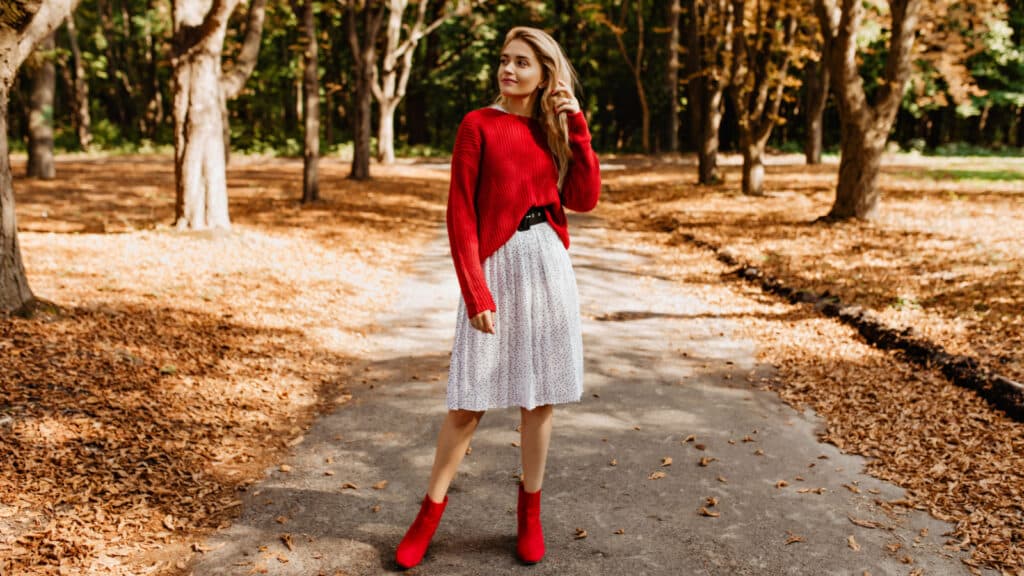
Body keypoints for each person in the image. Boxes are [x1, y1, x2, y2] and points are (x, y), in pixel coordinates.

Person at [394, 26, 601, 569]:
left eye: (522, 63)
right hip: (495, 267)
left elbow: (584, 198)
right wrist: (474, 289)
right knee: (468, 402)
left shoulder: (552, 128)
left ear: (544, 74)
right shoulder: (477, 125)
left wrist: (575, 125)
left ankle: (529, 515)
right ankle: (428, 514)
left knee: (539, 400)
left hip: (548, 265)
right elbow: (460, 211)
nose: (509, 70)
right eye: (504, 60)